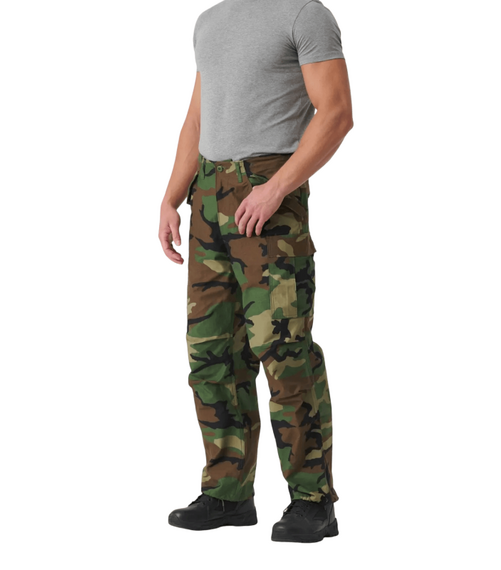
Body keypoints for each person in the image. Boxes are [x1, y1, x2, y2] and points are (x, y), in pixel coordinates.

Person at [158, 0, 353, 543]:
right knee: (211, 354)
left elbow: (337, 112)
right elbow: (198, 119)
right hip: (207, 198)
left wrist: (277, 187)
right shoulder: (211, 20)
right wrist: (171, 198)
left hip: (269, 193)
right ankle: (227, 493)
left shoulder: (303, 15)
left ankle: (313, 501)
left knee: (284, 351)